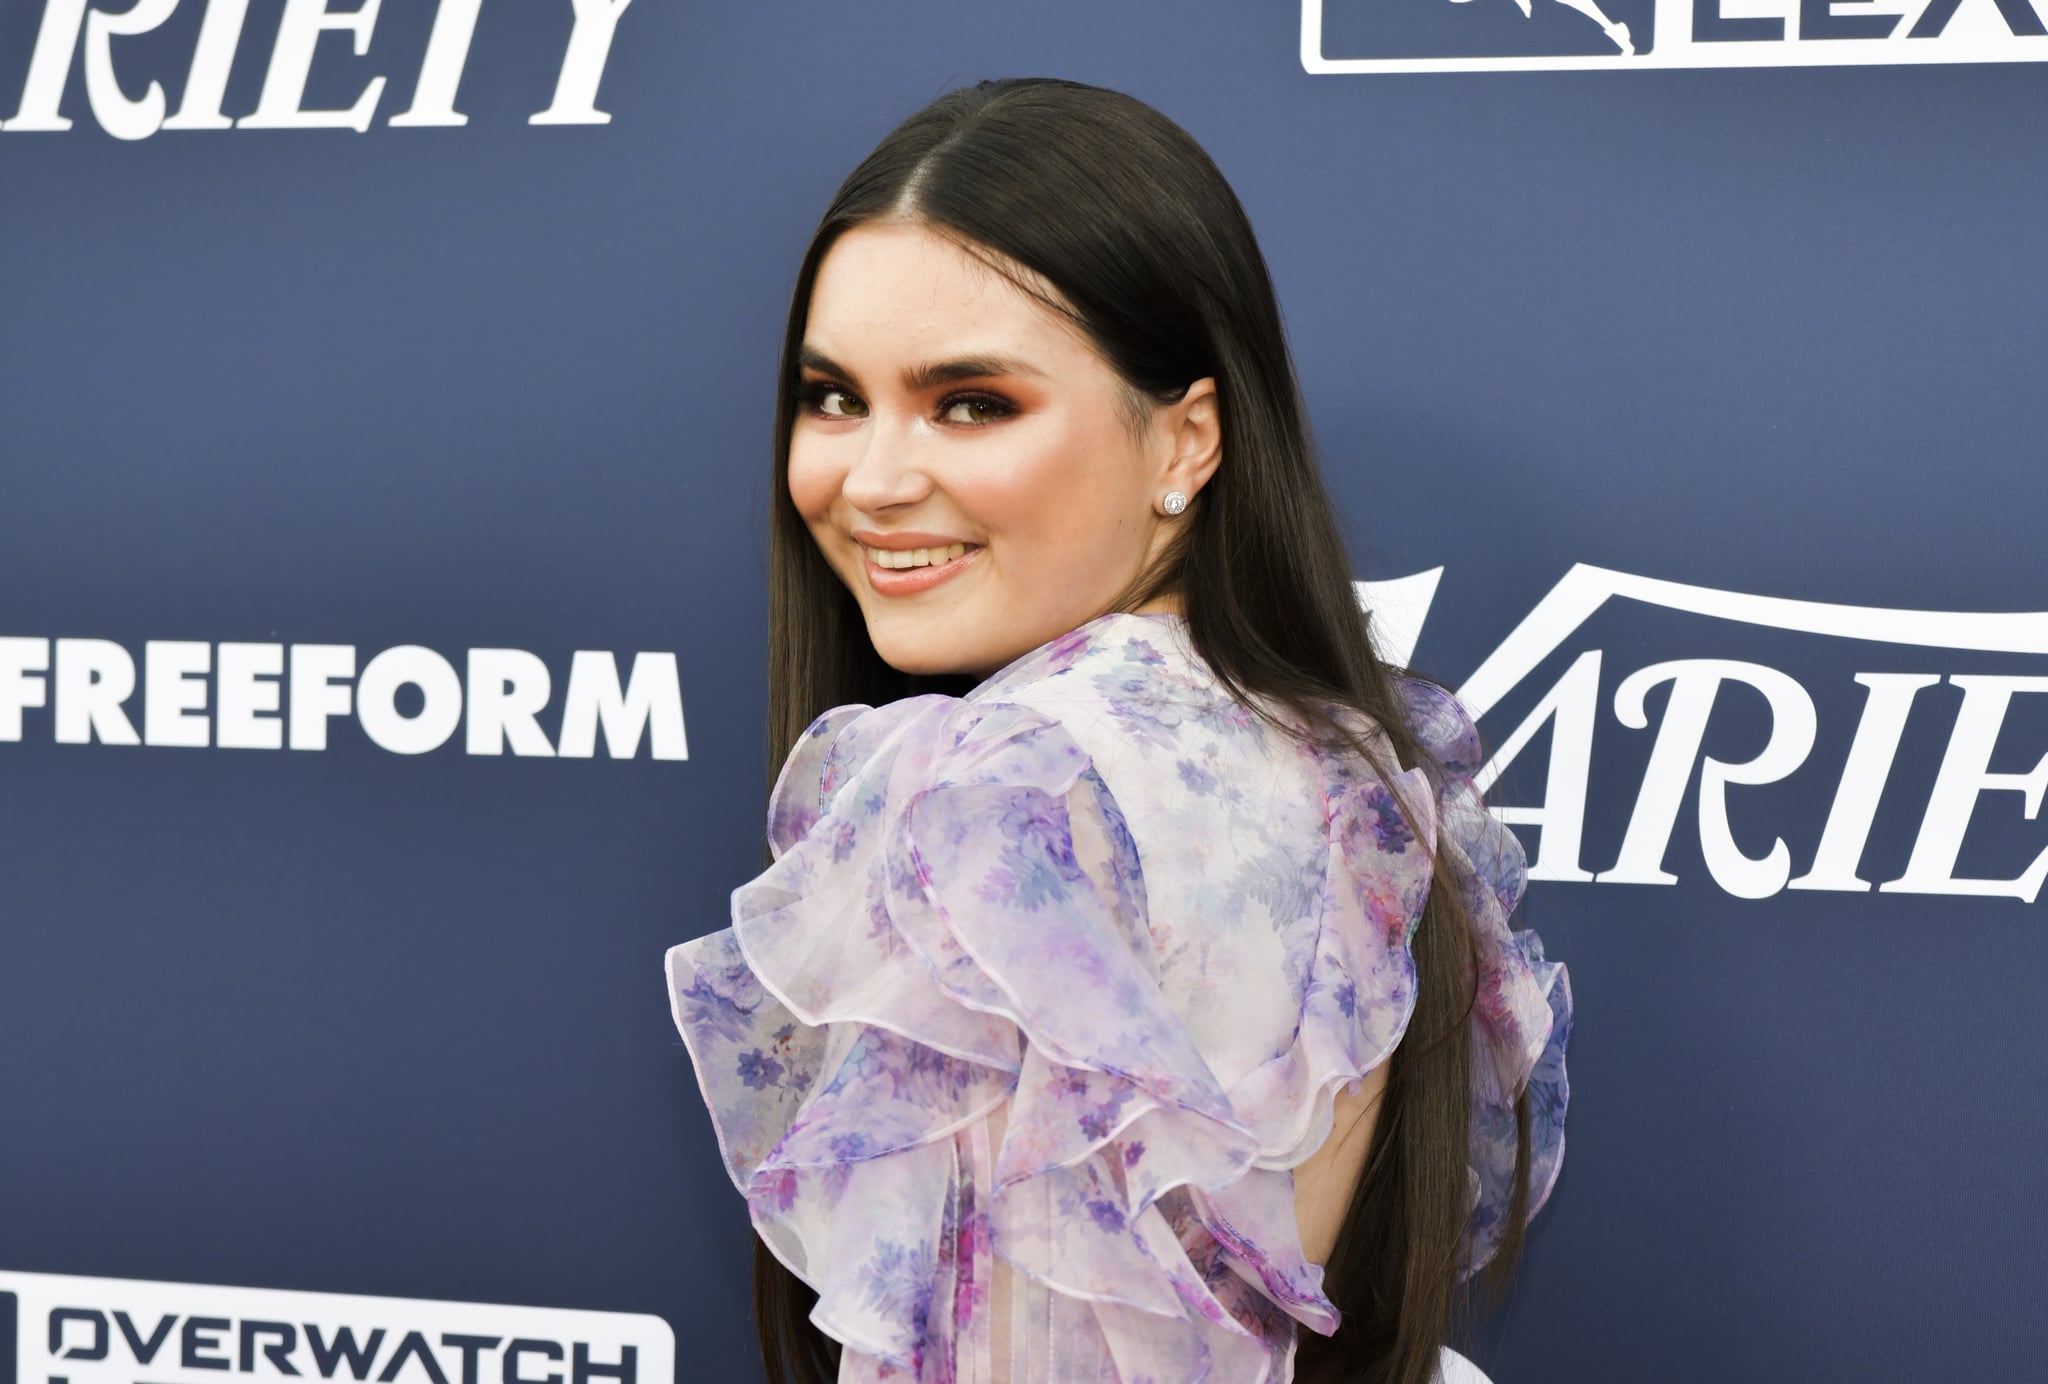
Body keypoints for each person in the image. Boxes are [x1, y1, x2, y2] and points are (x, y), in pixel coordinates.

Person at [665, 77, 1571, 1384]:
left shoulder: (1008, 782)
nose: (869, 479)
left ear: (1186, 441)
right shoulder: (1345, 756)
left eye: (971, 402)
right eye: (832, 397)